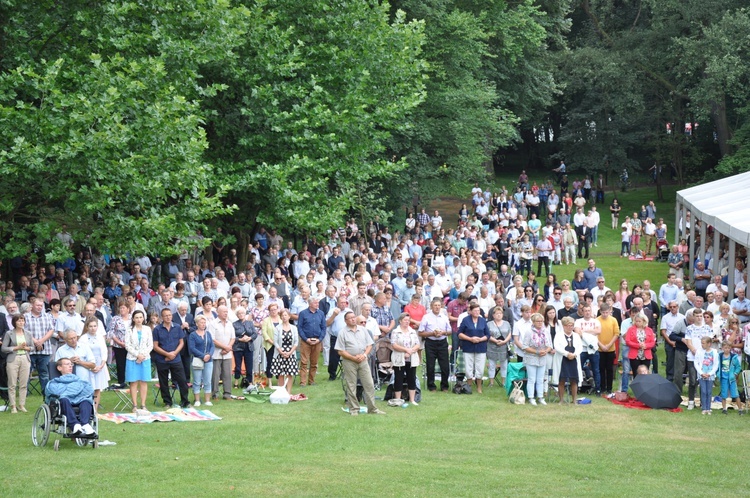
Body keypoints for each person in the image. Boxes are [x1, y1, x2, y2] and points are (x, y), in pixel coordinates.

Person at [335, 311, 386, 415]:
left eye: (354, 317)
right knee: (351, 385)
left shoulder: (363, 330)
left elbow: (370, 345)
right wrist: (353, 358)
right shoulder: (342, 332)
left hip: (363, 360)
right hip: (349, 361)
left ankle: (372, 409)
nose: (353, 319)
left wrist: (364, 355)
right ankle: (354, 409)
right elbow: (340, 350)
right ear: (346, 321)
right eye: (350, 318)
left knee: (369, 384)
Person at [44, 358, 96, 436]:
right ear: (59, 368)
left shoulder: (80, 381)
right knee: (64, 399)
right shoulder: (54, 383)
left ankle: (85, 425)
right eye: (67, 364)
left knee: (86, 400)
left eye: (71, 364)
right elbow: (53, 391)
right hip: (65, 402)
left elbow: (88, 390)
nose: (70, 366)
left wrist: (75, 394)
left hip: (80, 400)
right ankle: (75, 425)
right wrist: (72, 393)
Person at [152, 308, 190, 408]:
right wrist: (167, 354)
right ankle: (167, 402)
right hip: (162, 359)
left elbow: (181, 342)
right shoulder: (157, 329)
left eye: (169, 315)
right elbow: (155, 346)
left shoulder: (177, 327)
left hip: (176, 358)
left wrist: (174, 353)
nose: (168, 317)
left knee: (182, 380)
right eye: (165, 315)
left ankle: (185, 401)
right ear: (162, 317)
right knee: (163, 382)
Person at [418, 298, 451, 392]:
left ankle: (444, 386)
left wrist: (443, 333)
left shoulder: (444, 317)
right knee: (430, 365)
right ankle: (431, 386)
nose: (437, 307)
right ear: (431, 306)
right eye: (435, 305)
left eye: (438, 305)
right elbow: (420, 332)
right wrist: (432, 334)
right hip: (430, 343)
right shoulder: (426, 317)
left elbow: (449, 331)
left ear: (441, 306)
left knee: (444, 366)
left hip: (442, 342)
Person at [2, 315, 33, 413]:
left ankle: (21, 405)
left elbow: (32, 347)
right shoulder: (9, 333)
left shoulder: (28, 333)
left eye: (22, 321)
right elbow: (4, 348)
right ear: (14, 322)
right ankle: (13, 406)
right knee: (12, 383)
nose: (21, 323)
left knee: (23, 383)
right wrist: (16, 347)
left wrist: (26, 348)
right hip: (13, 359)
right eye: (19, 321)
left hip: (25, 358)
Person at [685, 308, 714, 410]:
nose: (699, 318)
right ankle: (691, 401)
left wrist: (703, 352)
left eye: (700, 316)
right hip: (692, 357)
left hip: (704, 358)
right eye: (697, 316)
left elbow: (710, 342)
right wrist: (695, 351)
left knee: (703, 380)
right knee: (693, 381)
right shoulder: (689, 328)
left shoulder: (707, 328)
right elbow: (688, 342)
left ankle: (703, 402)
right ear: (693, 317)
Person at [458, 303, 491, 394]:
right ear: (471, 311)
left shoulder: (483, 320)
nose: (477, 312)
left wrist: (480, 339)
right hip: (468, 346)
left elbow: (488, 335)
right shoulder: (465, 320)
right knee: (468, 367)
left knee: (480, 368)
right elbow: (459, 333)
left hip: (481, 347)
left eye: (478, 310)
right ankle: (468, 387)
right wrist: (470, 339)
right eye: (475, 310)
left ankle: (479, 386)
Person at [521, 312, 553, 405]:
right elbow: (525, 346)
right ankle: (531, 397)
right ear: (533, 322)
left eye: (541, 321)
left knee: (540, 378)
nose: (540, 323)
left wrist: (546, 351)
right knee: (532, 379)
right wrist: (536, 352)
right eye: (538, 321)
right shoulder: (529, 332)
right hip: (531, 357)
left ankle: (540, 397)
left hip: (542, 357)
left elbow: (550, 345)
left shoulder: (546, 332)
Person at [80, 316, 109, 411]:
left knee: (97, 388)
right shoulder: (83, 339)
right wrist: (90, 367)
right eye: (91, 326)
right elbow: (82, 354)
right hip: (88, 365)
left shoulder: (100, 337)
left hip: (99, 364)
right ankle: (88, 409)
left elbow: (104, 352)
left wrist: (101, 365)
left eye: (95, 326)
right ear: (87, 327)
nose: (93, 328)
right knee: (89, 388)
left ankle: (95, 410)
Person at [125, 310, 152, 411]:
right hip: (132, 359)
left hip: (145, 359)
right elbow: (127, 345)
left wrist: (142, 356)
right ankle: (135, 405)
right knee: (133, 382)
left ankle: (143, 404)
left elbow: (150, 345)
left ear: (143, 318)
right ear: (133, 319)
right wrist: (137, 355)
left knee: (144, 381)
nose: (139, 319)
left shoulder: (147, 329)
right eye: (136, 317)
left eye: (140, 317)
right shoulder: (129, 330)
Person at [390, 313, 420, 405]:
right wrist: (405, 350)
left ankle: (412, 399)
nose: (407, 322)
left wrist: (410, 351)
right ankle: (398, 399)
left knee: (412, 378)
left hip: (411, 358)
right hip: (399, 358)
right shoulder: (395, 332)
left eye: (408, 320)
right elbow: (394, 345)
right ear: (400, 321)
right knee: (398, 378)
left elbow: (417, 344)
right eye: (405, 320)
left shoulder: (412, 331)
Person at [297, 297, 326, 386]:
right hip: (306, 341)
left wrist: (319, 339)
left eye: (317, 303)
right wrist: (306, 339)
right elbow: (300, 327)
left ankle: (312, 381)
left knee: (314, 362)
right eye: (315, 303)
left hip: (317, 341)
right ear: (310, 304)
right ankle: (303, 382)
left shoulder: (321, 313)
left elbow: (323, 328)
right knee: (304, 362)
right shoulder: (303, 313)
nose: (317, 304)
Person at [553, 316, 582, 404]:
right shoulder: (558, 335)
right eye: (568, 325)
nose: (570, 327)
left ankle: (574, 400)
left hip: (574, 359)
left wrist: (574, 354)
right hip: (563, 359)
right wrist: (566, 354)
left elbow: (580, 347)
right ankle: (561, 400)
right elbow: (557, 346)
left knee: (574, 380)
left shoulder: (576, 335)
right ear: (564, 326)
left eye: (571, 325)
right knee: (561, 379)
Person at [270, 309, 299, 394]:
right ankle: (282, 392)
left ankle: (289, 392)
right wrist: (282, 352)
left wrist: (290, 352)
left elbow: (296, 342)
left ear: (289, 316)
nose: (284, 317)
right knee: (280, 374)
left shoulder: (294, 328)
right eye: (282, 315)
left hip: (291, 353)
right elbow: (275, 342)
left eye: (286, 315)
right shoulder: (277, 328)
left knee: (289, 374)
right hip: (280, 354)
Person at [189, 315, 215, 406]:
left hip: (209, 360)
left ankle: (207, 400)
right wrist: (202, 356)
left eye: (204, 323)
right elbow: (192, 348)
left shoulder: (208, 334)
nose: (203, 324)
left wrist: (209, 355)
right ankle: (197, 400)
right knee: (197, 381)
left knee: (208, 380)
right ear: (196, 324)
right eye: (201, 322)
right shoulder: (193, 335)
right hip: (197, 360)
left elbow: (212, 346)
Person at [210, 305, 235, 400]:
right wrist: (225, 347)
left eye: (226, 311)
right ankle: (215, 394)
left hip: (227, 353)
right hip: (217, 353)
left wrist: (228, 348)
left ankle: (227, 394)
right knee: (215, 375)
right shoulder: (213, 324)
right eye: (224, 311)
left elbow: (233, 338)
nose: (225, 313)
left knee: (227, 374)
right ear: (218, 313)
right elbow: (213, 339)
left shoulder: (230, 323)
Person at [107, 299, 130, 388]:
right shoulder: (115, 318)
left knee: (131, 363)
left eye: (123, 308)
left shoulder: (132, 318)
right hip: (119, 345)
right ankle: (121, 381)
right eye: (120, 308)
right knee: (121, 364)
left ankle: (131, 381)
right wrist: (119, 342)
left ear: (128, 309)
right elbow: (111, 332)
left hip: (130, 345)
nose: (122, 310)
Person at [487, 307, 512, 388]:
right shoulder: (489, 324)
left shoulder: (506, 323)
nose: (499, 315)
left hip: (503, 347)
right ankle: (491, 382)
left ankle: (503, 382)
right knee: (491, 365)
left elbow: (509, 334)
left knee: (504, 365)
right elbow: (487, 334)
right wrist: (495, 340)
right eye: (497, 313)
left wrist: (504, 341)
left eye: (500, 313)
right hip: (492, 347)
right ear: (493, 315)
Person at [232, 307, 257, 389]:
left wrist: (249, 338)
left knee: (249, 365)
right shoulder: (234, 324)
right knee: (238, 366)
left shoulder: (250, 323)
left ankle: (249, 382)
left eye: (242, 313)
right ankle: (236, 381)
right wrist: (240, 339)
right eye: (239, 313)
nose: (241, 315)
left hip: (249, 346)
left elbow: (255, 334)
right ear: (237, 315)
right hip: (238, 347)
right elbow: (232, 336)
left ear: (245, 314)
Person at [693, 336, 718, 415]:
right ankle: (704, 408)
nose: (702, 345)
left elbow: (716, 364)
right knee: (703, 391)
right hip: (702, 374)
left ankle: (708, 408)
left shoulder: (714, 352)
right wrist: (701, 373)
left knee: (709, 391)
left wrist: (710, 373)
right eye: (701, 343)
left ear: (709, 344)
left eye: (703, 343)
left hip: (710, 375)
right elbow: (696, 362)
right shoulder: (699, 351)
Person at [718, 340, 743, 415]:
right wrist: (717, 373)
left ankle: (740, 409)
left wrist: (735, 373)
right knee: (724, 394)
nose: (727, 349)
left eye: (728, 348)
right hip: (723, 378)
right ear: (722, 348)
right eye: (725, 348)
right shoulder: (720, 356)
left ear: (731, 348)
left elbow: (738, 367)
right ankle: (724, 409)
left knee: (735, 394)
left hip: (731, 379)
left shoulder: (733, 357)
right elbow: (717, 366)